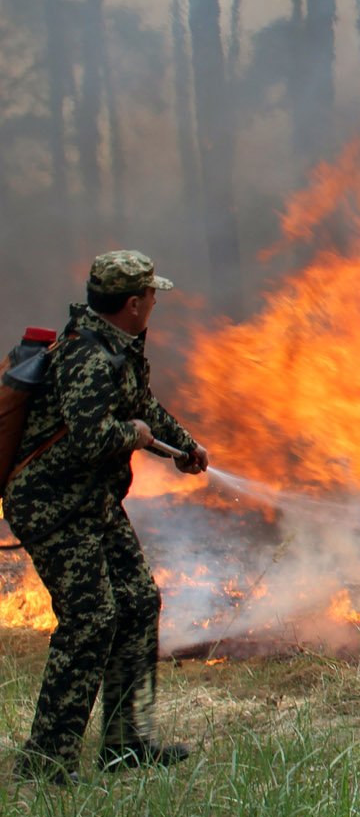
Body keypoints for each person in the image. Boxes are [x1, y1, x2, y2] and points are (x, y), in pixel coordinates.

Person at [5, 251, 208, 784]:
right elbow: (93, 436)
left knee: (139, 602)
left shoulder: (118, 347)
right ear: (134, 303)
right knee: (90, 620)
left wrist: (183, 446)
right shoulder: (86, 358)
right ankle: (47, 761)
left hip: (90, 501)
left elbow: (144, 405)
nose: (157, 302)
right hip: (53, 505)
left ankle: (127, 744)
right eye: (153, 295)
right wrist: (136, 437)